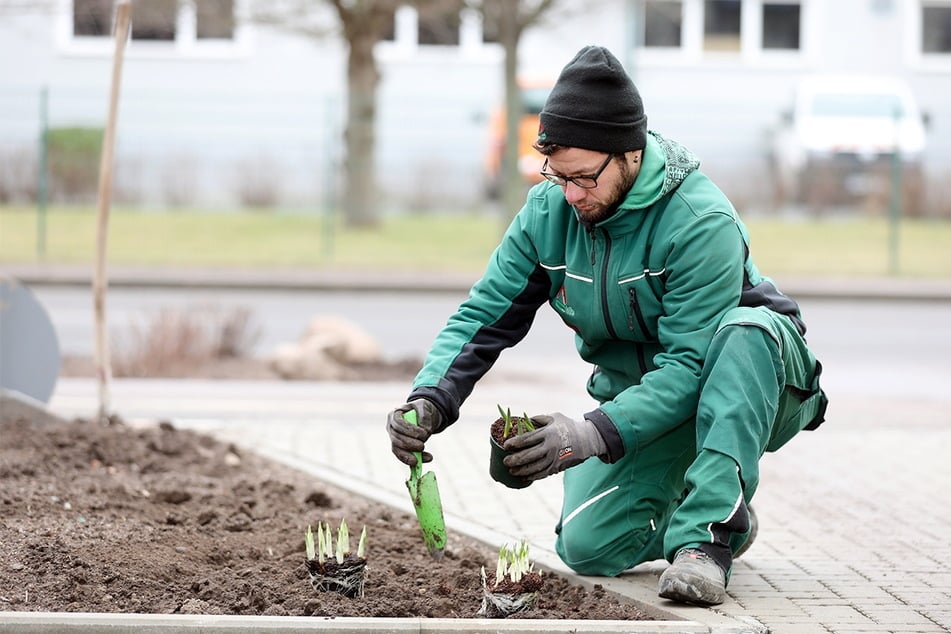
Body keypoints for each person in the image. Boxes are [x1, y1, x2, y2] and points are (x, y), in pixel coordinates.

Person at [386, 45, 828, 606]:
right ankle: (719, 497)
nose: (570, 193)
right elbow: (483, 317)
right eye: (557, 175)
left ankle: (706, 540)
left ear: (629, 154)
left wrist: (590, 433)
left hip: (760, 380)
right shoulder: (549, 211)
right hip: (643, 401)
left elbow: (692, 366)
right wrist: (432, 397)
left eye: (584, 178)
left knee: (744, 331)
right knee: (586, 547)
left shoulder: (699, 221)